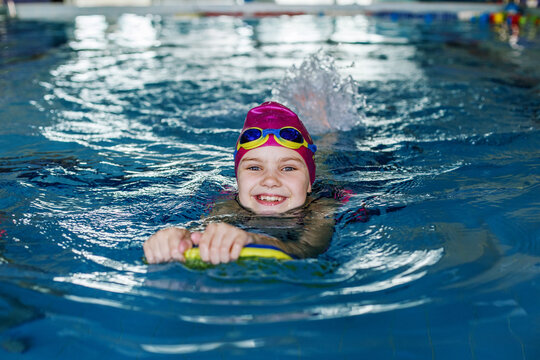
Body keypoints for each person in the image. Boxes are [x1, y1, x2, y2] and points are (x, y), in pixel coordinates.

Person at [143, 102, 337, 265]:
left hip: (332, 178)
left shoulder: (322, 207)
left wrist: (254, 240)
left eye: (288, 168)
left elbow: (309, 249)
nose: (270, 180)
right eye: (254, 168)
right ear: (238, 181)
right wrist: (177, 238)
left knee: (328, 153)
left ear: (309, 183)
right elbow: (204, 232)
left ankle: (329, 129)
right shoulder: (227, 204)